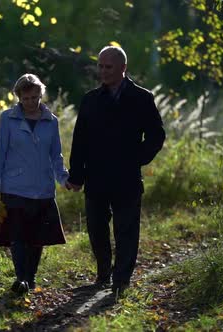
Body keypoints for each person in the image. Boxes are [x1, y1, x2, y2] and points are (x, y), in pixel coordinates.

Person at [65, 46, 166, 295]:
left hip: (127, 176)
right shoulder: (90, 100)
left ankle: (121, 280)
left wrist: (136, 159)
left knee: (126, 230)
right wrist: (76, 175)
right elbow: (80, 141)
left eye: (107, 66)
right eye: (100, 66)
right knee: (97, 228)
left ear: (123, 68)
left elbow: (156, 135)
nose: (102, 71)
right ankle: (103, 275)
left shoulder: (142, 98)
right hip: (96, 176)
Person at [0, 73, 69, 294]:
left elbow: (56, 156)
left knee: (37, 237)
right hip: (13, 188)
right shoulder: (7, 119)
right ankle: (21, 278)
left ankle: (30, 279)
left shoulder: (51, 121)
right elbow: (0, 153)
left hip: (42, 189)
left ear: (41, 95)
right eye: (26, 98)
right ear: (19, 98)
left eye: (35, 97)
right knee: (17, 237)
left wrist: (64, 179)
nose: (31, 102)